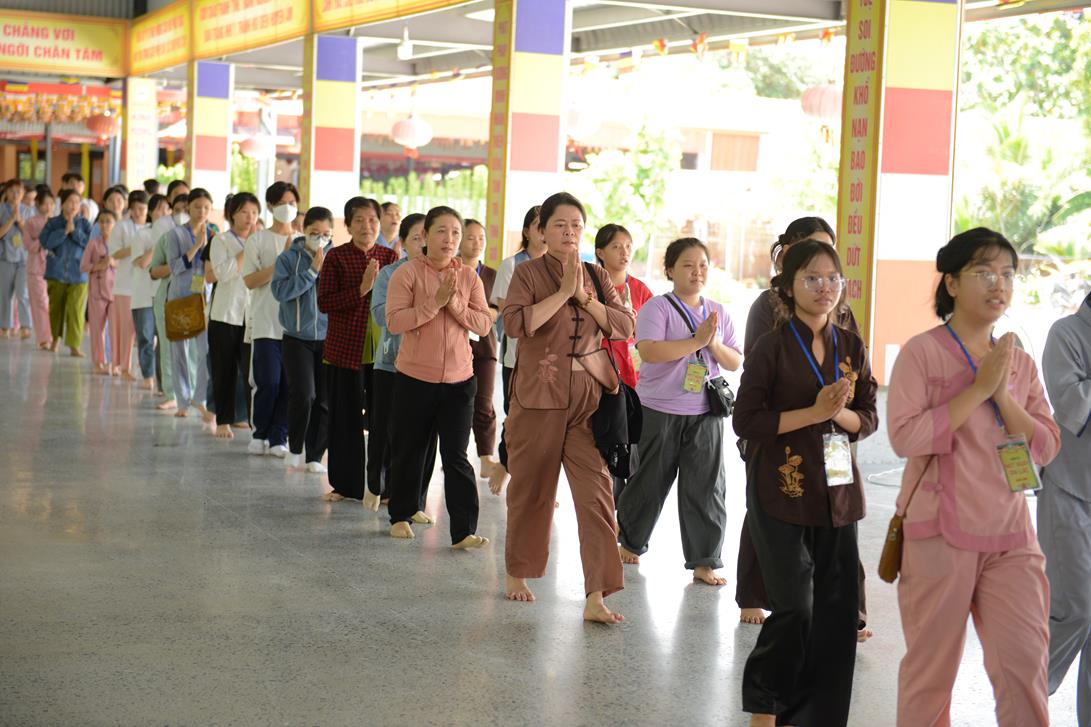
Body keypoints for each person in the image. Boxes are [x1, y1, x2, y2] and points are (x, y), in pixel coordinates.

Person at [888, 227, 1061, 727]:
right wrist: (979, 390)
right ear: (952, 283)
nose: (999, 284)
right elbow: (905, 436)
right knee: (931, 673)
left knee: (1025, 665)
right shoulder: (921, 352)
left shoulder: (1019, 363)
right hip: (939, 533)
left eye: (1007, 274)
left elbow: (1046, 445)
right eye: (984, 273)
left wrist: (1002, 394)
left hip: (1011, 536)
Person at [733, 240, 878, 727]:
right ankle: (765, 706)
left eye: (833, 278)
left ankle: (818, 716)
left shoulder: (851, 345)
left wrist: (840, 415)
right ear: (788, 287)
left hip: (837, 485)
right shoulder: (772, 347)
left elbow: (869, 416)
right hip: (782, 485)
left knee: (836, 612)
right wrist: (814, 413)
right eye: (812, 278)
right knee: (795, 606)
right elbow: (746, 421)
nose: (825, 288)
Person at [502, 192, 635, 624]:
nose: (569, 232)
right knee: (532, 490)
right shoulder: (527, 273)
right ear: (542, 230)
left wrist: (586, 299)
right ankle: (518, 571)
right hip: (538, 396)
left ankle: (597, 595)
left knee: (597, 495)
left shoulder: (597, 275)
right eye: (560, 224)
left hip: (588, 401)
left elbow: (624, 325)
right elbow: (515, 324)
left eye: (576, 225)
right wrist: (562, 294)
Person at [616, 237, 742, 585]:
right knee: (649, 480)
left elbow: (734, 360)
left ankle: (704, 560)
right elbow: (650, 352)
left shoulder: (717, 312)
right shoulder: (657, 308)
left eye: (703, 265)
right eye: (688, 265)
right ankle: (630, 541)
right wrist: (696, 342)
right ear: (670, 270)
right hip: (659, 409)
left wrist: (713, 344)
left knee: (707, 487)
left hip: (706, 412)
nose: (697, 271)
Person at [385, 206, 492, 548]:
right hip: (415, 379)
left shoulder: (469, 277)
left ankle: (463, 531)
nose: (450, 239)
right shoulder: (407, 273)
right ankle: (400, 516)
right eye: (442, 231)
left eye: (456, 232)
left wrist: (454, 304)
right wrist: (435, 301)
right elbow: (395, 321)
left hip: (460, 381)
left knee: (456, 456)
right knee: (410, 450)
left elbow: (484, 324)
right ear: (426, 236)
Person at [316, 197, 398, 502]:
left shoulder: (390, 257)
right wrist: (361, 290)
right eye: (359, 220)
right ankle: (345, 485)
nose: (367, 226)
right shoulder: (336, 257)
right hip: (344, 351)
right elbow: (324, 303)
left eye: (372, 220)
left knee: (384, 421)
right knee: (344, 419)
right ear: (348, 226)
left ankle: (384, 486)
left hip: (384, 355)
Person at [1039, 289, 1091, 726]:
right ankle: (1025, 693)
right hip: (1070, 489)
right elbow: (1074, 407)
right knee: (1075, 608)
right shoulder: (1067, 333)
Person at [367, 212, 428, 510]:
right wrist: (418, 307)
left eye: (427, 237)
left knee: (419, 436)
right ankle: (375, 486)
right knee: (384, 429)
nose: (423, 244)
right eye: (416, 238)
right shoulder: (390, 274)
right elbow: (381, 316)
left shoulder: (443, 274)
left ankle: (412, 499)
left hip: (428, 367)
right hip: (392, 363)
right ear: (402, 243)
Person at [487, 205, 546, 495]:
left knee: (545, 423)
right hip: (518, 357)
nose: (545, 233)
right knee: (516, 417)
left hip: (551, 358)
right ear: (526, 231)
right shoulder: (512, 265)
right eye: (539, 226)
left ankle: (537, 483)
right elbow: (506, 309)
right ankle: (506, 463)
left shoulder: (562, 266)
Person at [593, 223, 654, 500]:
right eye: (616, 247)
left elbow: (652, 334)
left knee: (631, 445)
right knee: (604, 444)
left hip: (634, 379)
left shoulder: (640, 290)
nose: (624, 252)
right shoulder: (590, 287)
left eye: (628, 246)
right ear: (600, 252)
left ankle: (626, 509)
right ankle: (608, 505)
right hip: (599, 375)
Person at [271, 206, 333, 473]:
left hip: (329, 338)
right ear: (304, 230)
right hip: (296, 338)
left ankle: (315, 455)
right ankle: (295, 447)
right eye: (314, 232)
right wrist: (312, 271)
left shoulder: (335, 258)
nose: (320, 238)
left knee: (324, 400)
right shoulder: (288, 258)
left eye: (326, 234)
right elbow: (280, 291)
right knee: (304, 394)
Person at [242, 182, 299, 457]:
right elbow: (250, 281)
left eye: (292, 203)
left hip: (295, 327)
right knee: (269, 382)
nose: (288, 208)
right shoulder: (258, 240)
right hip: (265, 322)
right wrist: (280, 264)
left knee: (289, 385)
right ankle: (260, 432)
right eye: (282, 203)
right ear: (270, 206)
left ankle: (279, 436)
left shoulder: (302, 241)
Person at [208, 192, 259, 440]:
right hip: (225, 315)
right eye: (244, 212)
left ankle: (255, 424)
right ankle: (223, 420)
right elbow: (222, 273)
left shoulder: (261, 240)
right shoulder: (220, 240)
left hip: (253, 317)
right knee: (224, 372)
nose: (250, 217)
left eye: (254, 212)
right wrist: (247, 249)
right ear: (232, 214)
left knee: (252, 374)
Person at [164, 188, 215, 418]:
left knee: (205, 351)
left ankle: (200, 398)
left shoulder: (214, 234)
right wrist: (196, 247)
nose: (201, 211)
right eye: (197, 207)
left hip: (203, 299)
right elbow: (174, 268)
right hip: (179, 297)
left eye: (206, 207)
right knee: (179, 352)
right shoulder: (175, 234)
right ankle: (182, 401)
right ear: (188, 208)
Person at [459, 218, 500, 480]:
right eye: (471, 237)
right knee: (458, 404)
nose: (477, 243)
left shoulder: (491, 275)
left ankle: (486, 457)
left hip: (484, 348)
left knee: (483, 402)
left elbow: (497, 310)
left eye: (481, 238)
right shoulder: (451, 270)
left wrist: (475, 315)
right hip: (454, 347)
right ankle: (457, 455)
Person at [147, 193, 188, 409]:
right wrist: (177, 265)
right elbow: (153, 271)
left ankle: (192, 395)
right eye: (178, 210)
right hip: (168, 299)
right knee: (169, 348)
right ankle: (172, 393)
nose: (183, 214)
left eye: (187, 209)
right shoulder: (166, 239)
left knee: (194, 351)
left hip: (195, 300)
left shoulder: (209, 237)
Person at [41, 189, 92, 357]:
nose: (73, 205)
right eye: (70, 201)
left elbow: (91, 244)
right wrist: (63, 231)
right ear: (62, 204)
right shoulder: (52, 223)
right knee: (56, 309)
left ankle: (74, 345)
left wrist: (74, 232)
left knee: (76, 311)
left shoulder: (85, 224)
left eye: (77, 202)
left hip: (79, 274)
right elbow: (46, 242)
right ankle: (55, 340)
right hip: (56, 272)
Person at [107, 190, 149, 380]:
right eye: (136, 209)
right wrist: (135, 248)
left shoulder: (151, 228)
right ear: (130, 209)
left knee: (144, 330)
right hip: (125, 286)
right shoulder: (122, 227)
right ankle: (123, 366)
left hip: (146, 287)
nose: (139, 212)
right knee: (126, 328)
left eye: (143, 208)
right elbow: (114, 253)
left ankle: (140, 365)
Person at [130, 194, 168, 391]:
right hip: (143, 295)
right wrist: (158, 244)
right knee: (145, 337)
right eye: (160, 209)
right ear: (151, 212)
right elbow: (143, 263)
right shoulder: (142, 235)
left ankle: (163, 383)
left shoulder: (173, 235)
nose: (164, 213)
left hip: (163, 294)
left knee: (163, 340)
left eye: (167, 209)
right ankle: (148, 375)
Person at [80, 210, 118, 375]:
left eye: (108, 221)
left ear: (115, 224)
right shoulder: (93, 244)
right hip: (97, 291)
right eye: (101, 221)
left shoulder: (120, 245)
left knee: (114, 330)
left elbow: (128, 264)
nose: (104, 225)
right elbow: (83, 266)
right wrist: (99, 266)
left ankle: (115, 363)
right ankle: (98, 362)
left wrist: (113, 262)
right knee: (97, 329)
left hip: (116, 292)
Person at [0, 179, 35, 339]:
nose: (15, 195)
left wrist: (19, 220)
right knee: (5, 294)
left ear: (23, 194)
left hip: (23, 258)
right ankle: (5, 326)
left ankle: (25, 326)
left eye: (18, 192)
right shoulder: (1, 209)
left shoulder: (28, 211)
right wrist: (11, 219)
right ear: (6, 192)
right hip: (5, 257)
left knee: (22, 292)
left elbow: (31, 234)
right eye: (12, 191)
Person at [23, 185, 53, 349]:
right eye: (45, 203)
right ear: (38, 204)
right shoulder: (30, 223)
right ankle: (43, 338)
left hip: (54, 268)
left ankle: (52, 336)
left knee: (51, 303)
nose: (49, 207)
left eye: (51, 203)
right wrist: (44, 237)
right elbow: (29, 245)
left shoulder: (57, 222)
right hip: (35, 268)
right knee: (40, 303)